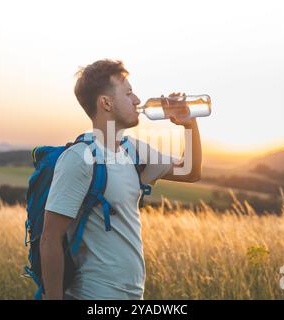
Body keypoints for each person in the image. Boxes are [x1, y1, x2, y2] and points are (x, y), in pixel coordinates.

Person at [40, 59, 202, 299]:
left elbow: (190, 172)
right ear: (106, 103)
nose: (137, 100)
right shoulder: (80, 158)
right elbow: (50, 237)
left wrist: (190, 125)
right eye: (128, 93)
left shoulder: (133, 151)